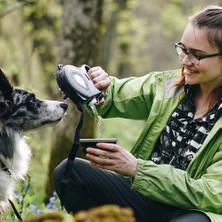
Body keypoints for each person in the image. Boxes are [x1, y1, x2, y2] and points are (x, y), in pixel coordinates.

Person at [53, 5, 222, 222]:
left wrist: (137, 169)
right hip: (145, 198)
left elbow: (213, 194)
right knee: (69, 173)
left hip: (194, 212)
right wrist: (96, 85)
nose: (185, 61)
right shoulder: (169, 86)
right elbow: (118, 95)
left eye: (197, 55)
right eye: (182, 49)